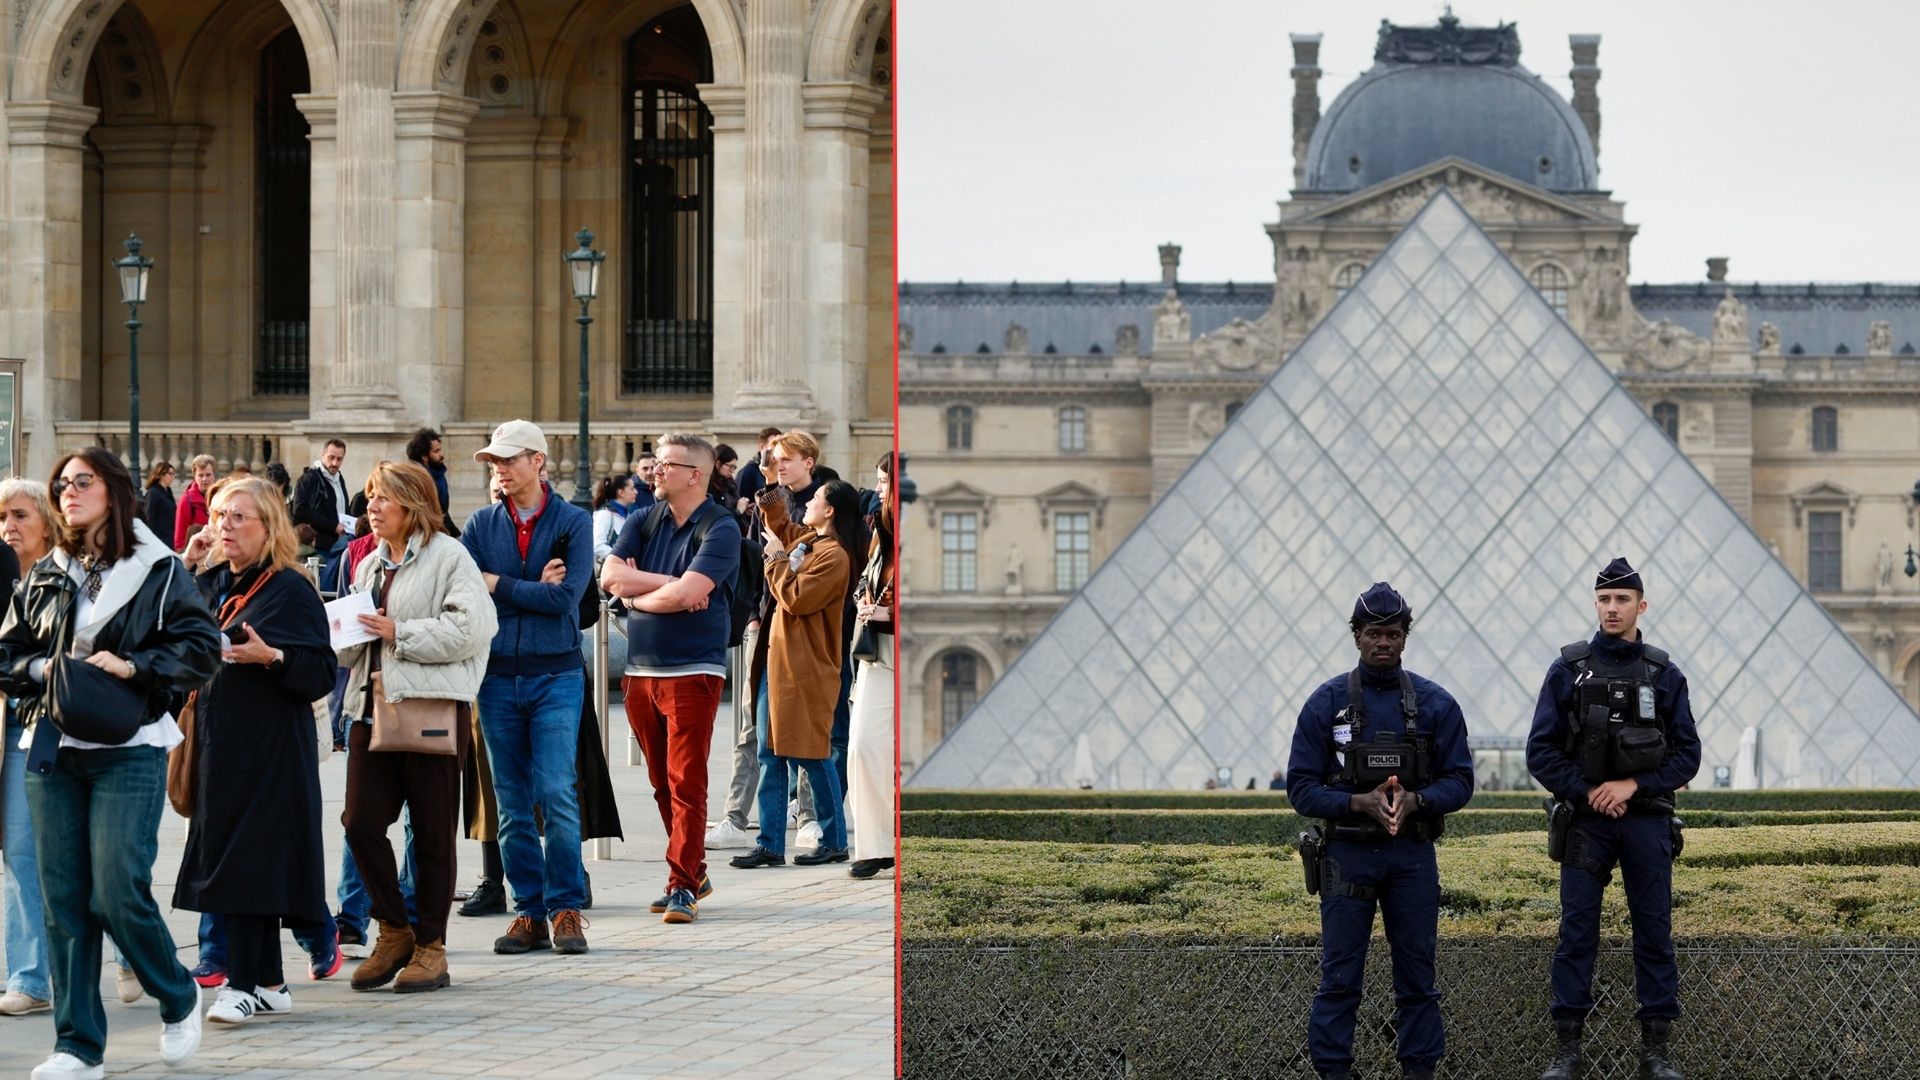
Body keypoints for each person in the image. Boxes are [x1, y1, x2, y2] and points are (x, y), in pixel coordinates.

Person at [0, 447, 222, 1079]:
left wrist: (134, 665)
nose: (68, 491)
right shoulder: (49, 570)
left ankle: (177, 993)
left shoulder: (158, 568)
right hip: (52, 745)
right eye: (62, 483)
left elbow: (202, 647)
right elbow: (7, 655)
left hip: (130, 746)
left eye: (83, 481)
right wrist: (46, 669)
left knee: (116, 890)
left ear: (115, 492)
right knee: (63, 900)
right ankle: (77, 1046)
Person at [1286, 582, 1474, 1080]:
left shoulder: (1438, 705)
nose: (1383, 643)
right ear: (1356, 636)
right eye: (1374, 633)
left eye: (1392, 633)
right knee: (1339, 978)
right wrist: (1357, 802)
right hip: (1346, 855)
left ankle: (1419, 1073)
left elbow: (1461, 782)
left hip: (1411, 856)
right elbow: (1300, 788)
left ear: (1405, 637)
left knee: (1418, 979)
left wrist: (1417, 801)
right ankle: (1334, 1074)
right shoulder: (1325, 704)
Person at [1526, 557, 1701, 1080]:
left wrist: (1632, 785)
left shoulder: (1664, 674)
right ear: (1595, 603)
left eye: (1622, 599)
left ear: (1641, 605)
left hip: (1646, 820)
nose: (1611, 608)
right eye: (1604, 599)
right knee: (1576, 932)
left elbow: (1687, 755)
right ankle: (1567, 1054)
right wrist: (1589, 792)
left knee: (1654, 933)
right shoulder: (1567, 671)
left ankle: (1656, 1055)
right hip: (1586, 822)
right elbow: (1540, 752)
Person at [175, 479, 339, 1022]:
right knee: (239, 859)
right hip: (219, 745)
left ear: (268, 526)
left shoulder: (290, 588)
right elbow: (168, 629)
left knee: (250, 863)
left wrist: (272, 657)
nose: (224, 525)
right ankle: (269, 981)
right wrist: (189, 564)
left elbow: (319, 673)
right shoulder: (214, 580)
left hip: (270, 750)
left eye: (238, 516)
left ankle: (241, 984)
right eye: (219, 515)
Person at [337, 460, 496, 994]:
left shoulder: (451, 556)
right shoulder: (367, 565)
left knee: (430, 834)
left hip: (431, 708)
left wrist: (398, 631)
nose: (371, 508)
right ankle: (394, 929)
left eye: (382, 498)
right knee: (360, 823)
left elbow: (471, 629)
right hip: (370, 708)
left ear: (413, 503)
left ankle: (432, 947)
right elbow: (358, 645)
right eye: (369, 497)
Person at [461, 420, 594, 956]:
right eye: (493, 461)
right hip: (495, 676)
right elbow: (469, 595)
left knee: (556, 792)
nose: (499, 468)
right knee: (512, 802)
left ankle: (566, 908)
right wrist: (527, 586)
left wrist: (500, 585)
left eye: (508, 459)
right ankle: (529, 911)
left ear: (538, 461)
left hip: (556, 673)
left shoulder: (573, 521)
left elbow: (567, 601)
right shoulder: (479, 524)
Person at [601, 433, 740, 922]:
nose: (655, 471)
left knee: (686, 781)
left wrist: (639, 593)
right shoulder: (643, 518)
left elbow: (691, 596)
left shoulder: (720, 527)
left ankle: (681, 883)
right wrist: (661, 588)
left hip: (694, 670)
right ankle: (694, 870)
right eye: (657, 463)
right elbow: (610, 578)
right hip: (639, 669)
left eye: (666, 465)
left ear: (695, 475)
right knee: (661, 782)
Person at [730, 480, 859, 870]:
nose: (809, 503)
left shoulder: (834, 556)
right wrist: (770, 490)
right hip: (779, 662)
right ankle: (770, 843)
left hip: (806, 670)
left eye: (816, 498)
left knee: (811, 753)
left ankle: (834, 839)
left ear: (831, 510)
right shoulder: (810, 541)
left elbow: (797, 598)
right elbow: (781, 525)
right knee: (770, 752)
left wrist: (776, 560)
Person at [846, 453, 896, 879]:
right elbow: (867, 575)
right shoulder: (880, 529)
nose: (878, 489)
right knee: (864, 745)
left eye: (884, 481)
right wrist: (865, 601)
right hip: (878, 653)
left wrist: (893, 615)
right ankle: (876, 846)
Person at [292, 439, 352, 578]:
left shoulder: (338, 477)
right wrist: (333, 526)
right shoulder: (309, 478)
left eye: (339, 459)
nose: (335, 463)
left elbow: (342, 509)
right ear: (322, 455)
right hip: (318, 547)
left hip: (339, 544)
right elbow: (299, 510)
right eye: (331, 457)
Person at [405, 428, 459, 540]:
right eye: (436, 451)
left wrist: (456, 535)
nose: (441, 455)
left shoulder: (439, 474)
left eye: (440, 450)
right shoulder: (416, 479)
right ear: (424, 456)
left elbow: (443, 512)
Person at [173, 454, 218, 551]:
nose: (204, 479)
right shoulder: (187, 500)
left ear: (214, 475)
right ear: (194, 477)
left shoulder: (220, 497)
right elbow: (179, 538)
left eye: (208, 475)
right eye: (200, 475)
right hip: (196, 556)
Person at [592, 474, 638, 562]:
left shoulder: (627, 515)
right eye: (632, 489)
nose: (636, 492)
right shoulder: (605, 514)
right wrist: (620, 558)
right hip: (608, 569)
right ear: (621, 493)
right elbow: (597, 546)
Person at [733, 427, 781, 513]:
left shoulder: (782, 469)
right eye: (773, 446)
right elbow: (739, 502)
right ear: (762, 447)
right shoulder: (749, 471)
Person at [139, 462, 176, 545]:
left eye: (173, 474)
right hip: (158, 538)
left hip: (169, 537)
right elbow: (148, 517)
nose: (173, 477)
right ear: (161, 475)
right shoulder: (153, 493)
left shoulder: (168, 493)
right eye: (170, 474)